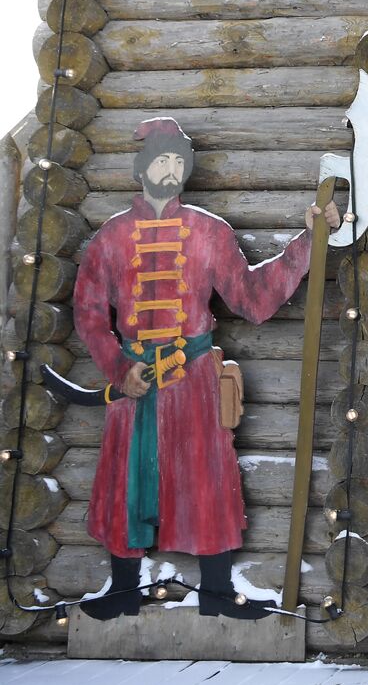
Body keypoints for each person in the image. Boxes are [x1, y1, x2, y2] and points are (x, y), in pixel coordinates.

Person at [71, 118, 340, 620]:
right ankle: (123, 589)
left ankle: (219, 594)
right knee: (124, 478)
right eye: (162, 160)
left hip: (193, 380)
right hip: (134, 382)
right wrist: (116, 368)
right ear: (142, 166)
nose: (170, 171)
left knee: (207, 478)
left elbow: (253, 298)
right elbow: (88, 312)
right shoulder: (111, 237)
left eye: (178, 162)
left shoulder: (208, 231)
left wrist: (307, 242)